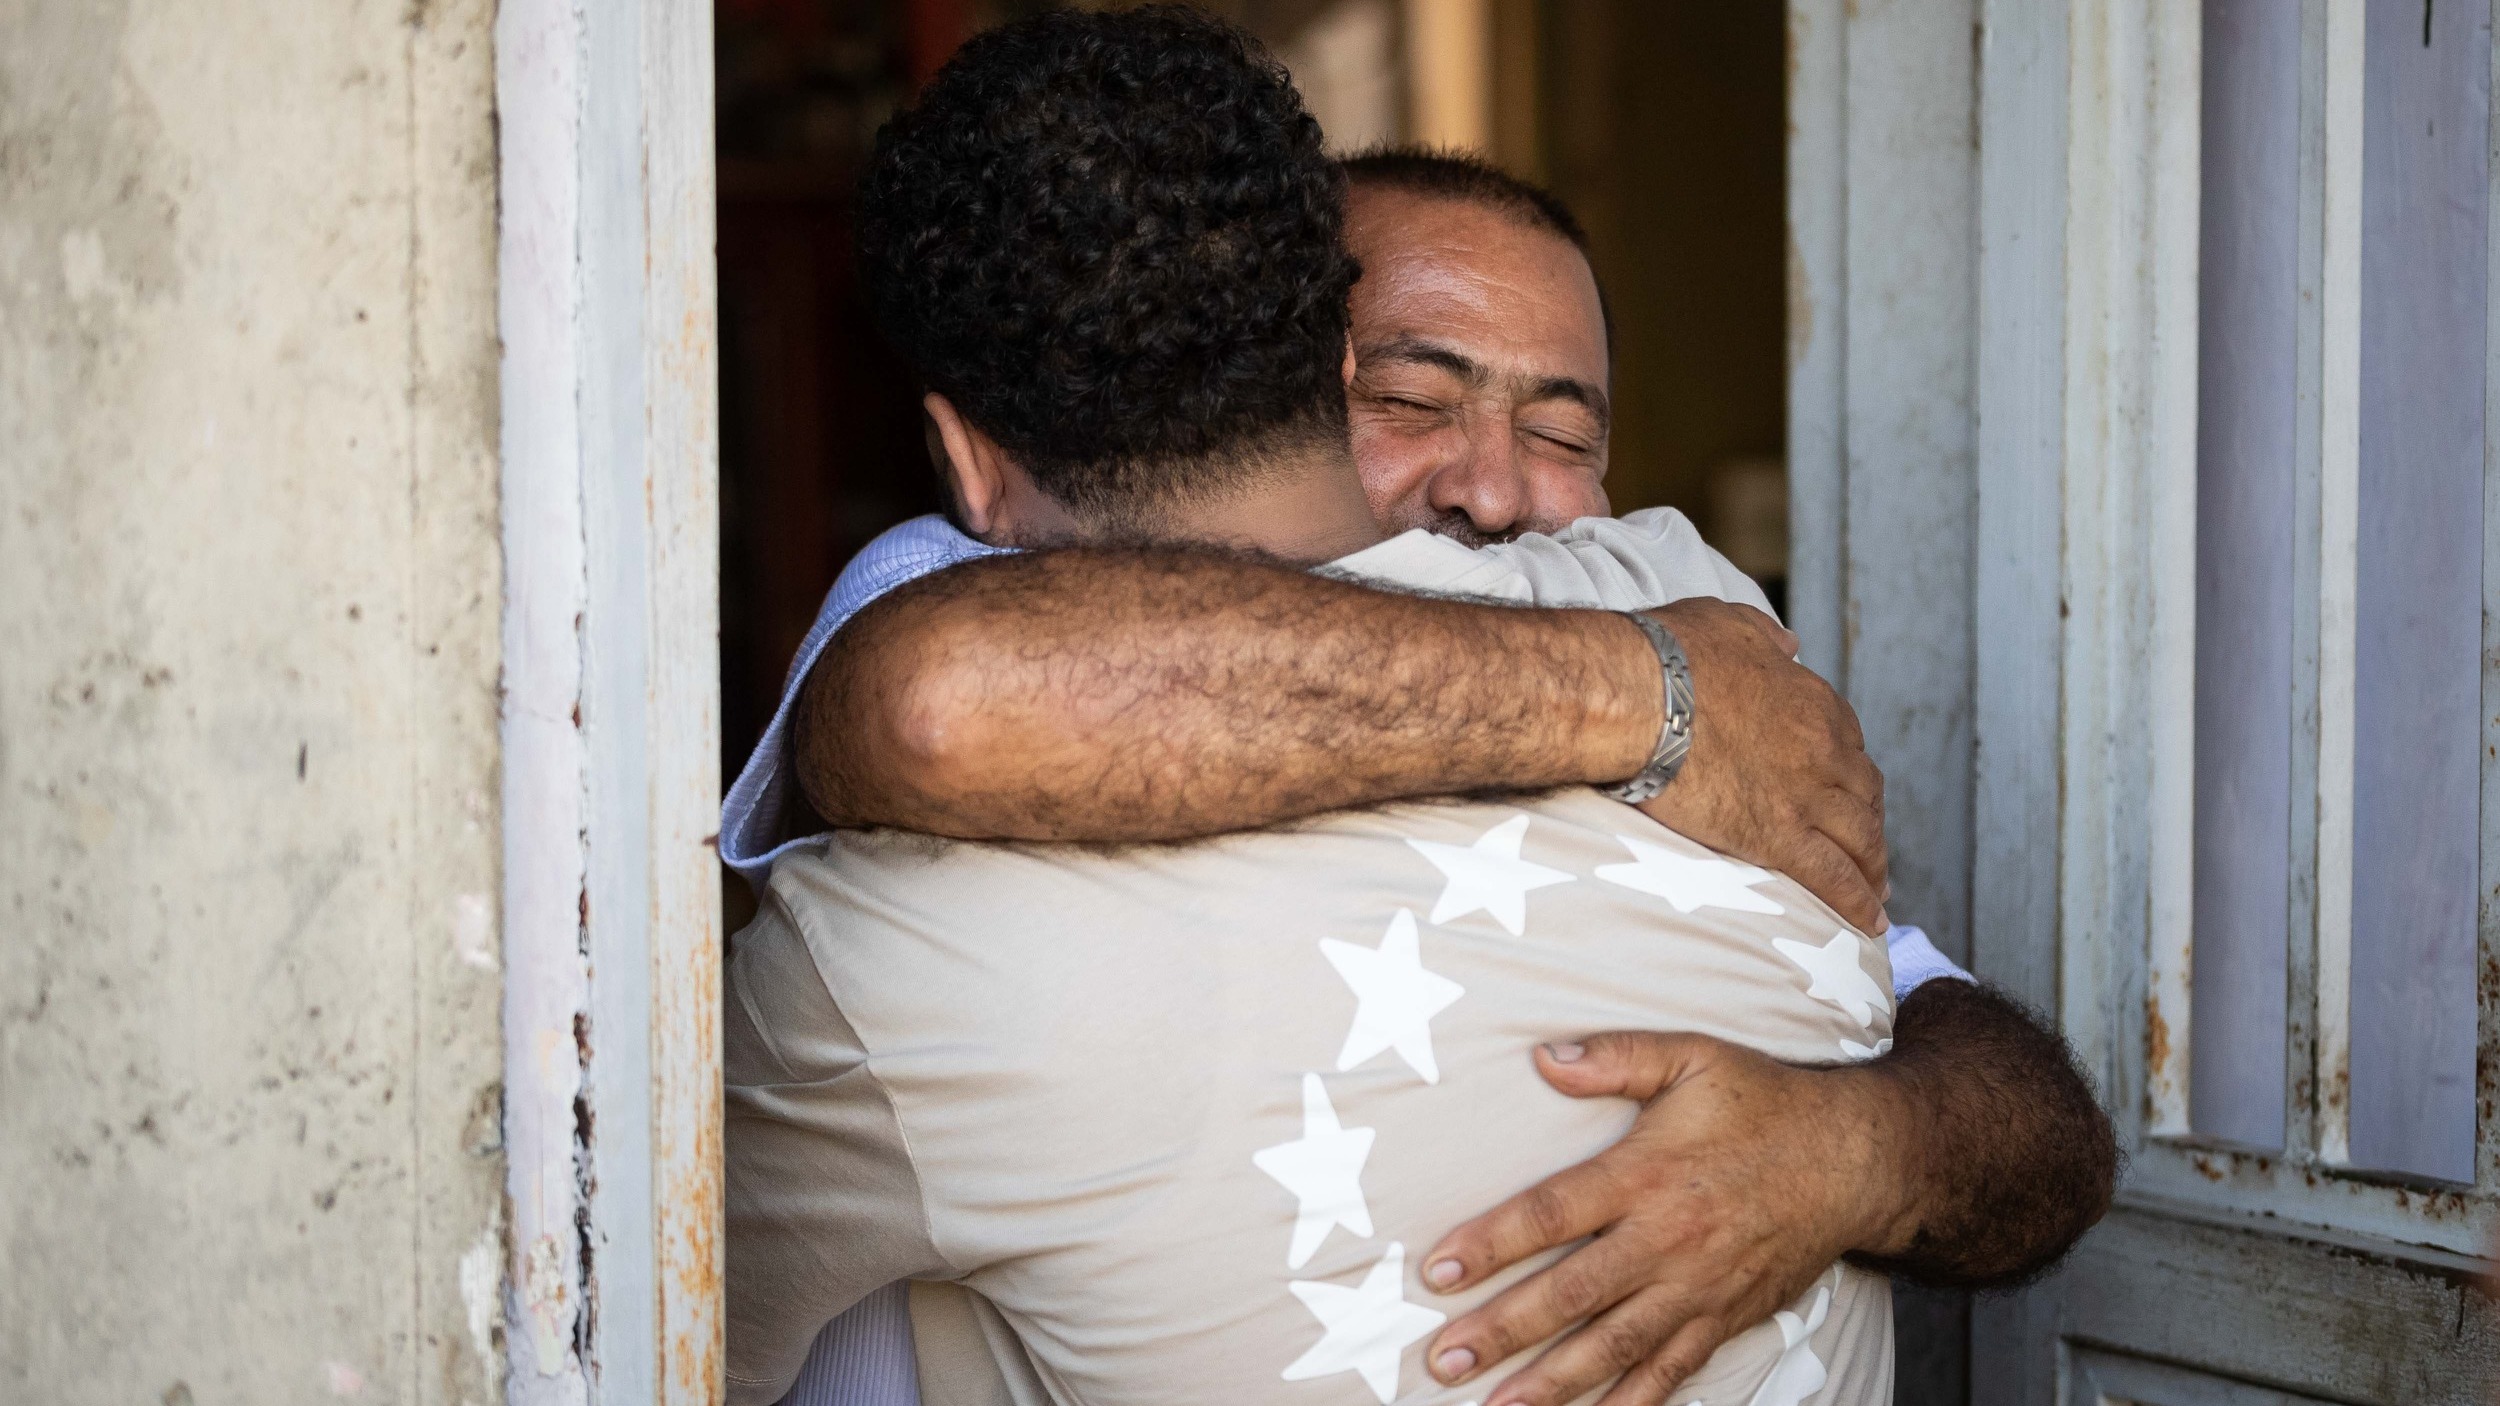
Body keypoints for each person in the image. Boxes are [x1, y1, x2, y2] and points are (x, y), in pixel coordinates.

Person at [726, 34, 2115, 1406]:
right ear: (1311, 363)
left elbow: (2034, 1128)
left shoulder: (1680, 603)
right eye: (1410, 397)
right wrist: (1635, 696)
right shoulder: (953, 614)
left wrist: (1847, 1147)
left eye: (1565, 435)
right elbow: (940, 700)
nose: (1495, 493)